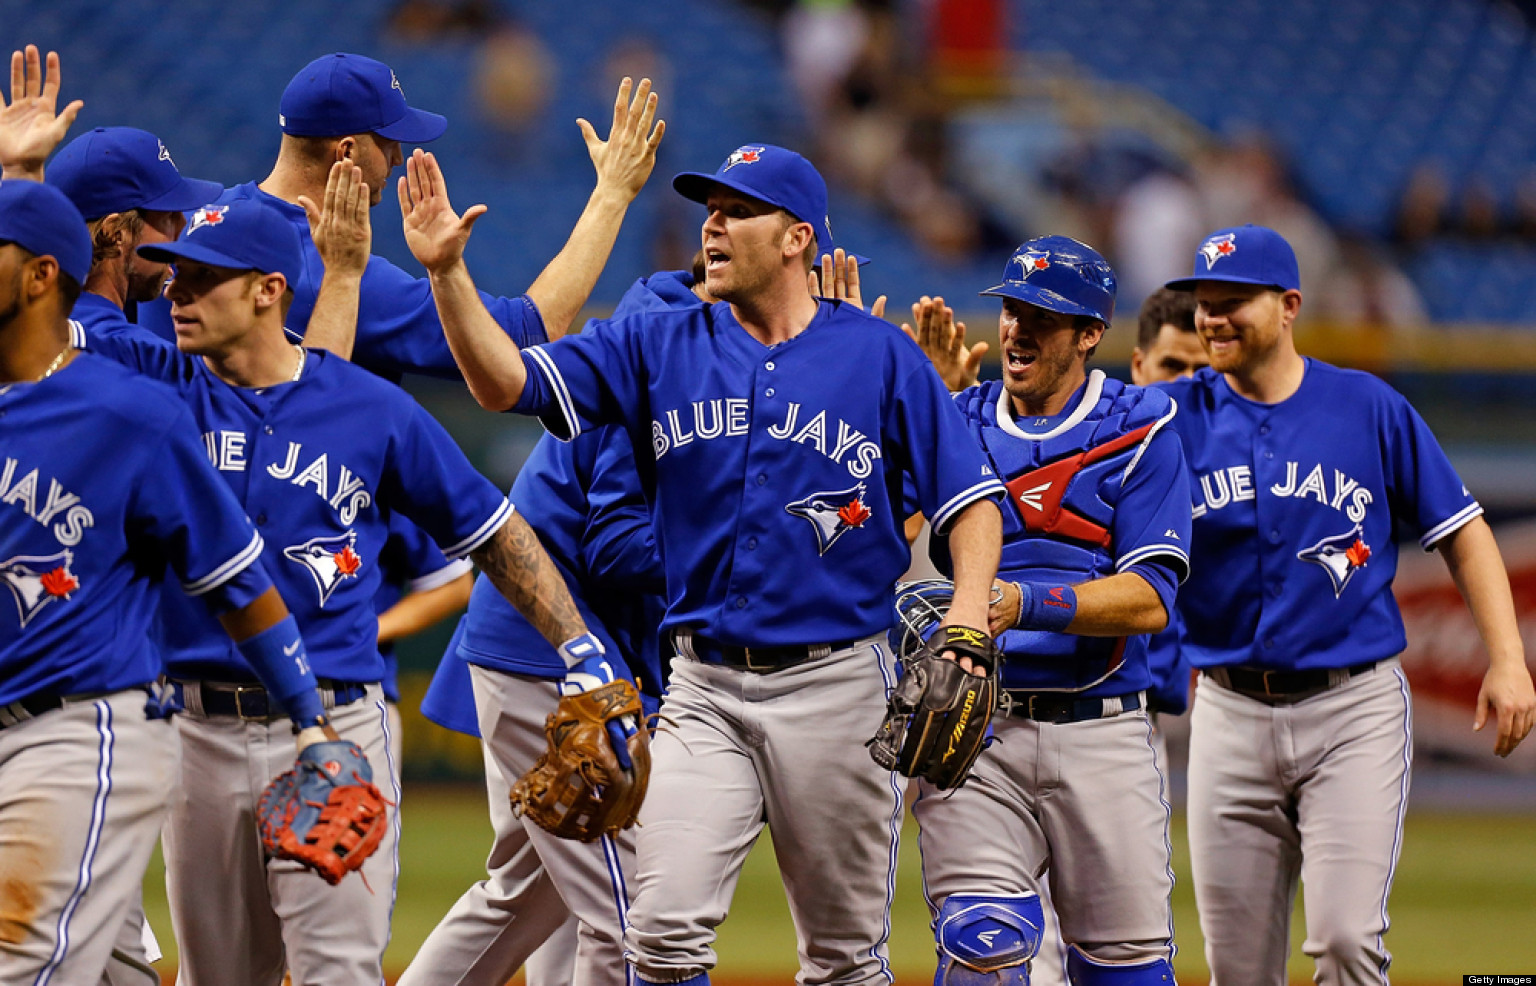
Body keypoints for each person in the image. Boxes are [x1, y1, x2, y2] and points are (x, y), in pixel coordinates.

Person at [399, 141, 1006, 985]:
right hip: (702, 690)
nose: (712, 226)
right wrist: (447, 278)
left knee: (842, 958)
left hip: (834, 688)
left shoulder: (879, 355)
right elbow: (503, 383)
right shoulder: (656, 341)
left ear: (797, 237)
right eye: (708, 209)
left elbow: (969, 502)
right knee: (659, 933)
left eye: (737, 211)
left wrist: (968, 620)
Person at [71, 191, 605, 986]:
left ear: (267, 289)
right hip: (194, 731)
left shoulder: (367, 408)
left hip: (337, 723)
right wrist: (21, 169)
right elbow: (37, 325)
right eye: (174, 277)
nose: (176, 294)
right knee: (220, 977)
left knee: (340, 972)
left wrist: (579, 646)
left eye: (201, 281)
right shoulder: (159, 391)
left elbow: (491, 531)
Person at [1160, 223, 1536, 984]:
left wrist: (1506, 659)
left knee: (1343, 941)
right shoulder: (1169, 416)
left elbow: (1463, 533)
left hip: (1351, 709)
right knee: (1236, 969)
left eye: (1235, 300)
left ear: (1290, 304)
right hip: (1229, 712)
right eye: (1204, 301)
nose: (1214, 317)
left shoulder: (1366, 406)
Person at [0, 178, 344, 986]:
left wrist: (308, 721)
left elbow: (235, 580)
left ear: (42, 275)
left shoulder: (129, 413)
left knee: (24, 966)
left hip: (76, 731)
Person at [911, 236, 1187, 985]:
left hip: (1105, 732)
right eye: (1010, 310)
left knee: (1124, 969)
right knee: (983, 947)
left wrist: (1020, 602)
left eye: (1042, 315)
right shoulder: (955, 422)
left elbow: (1149, 599)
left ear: (1091, 333)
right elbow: (885, 541)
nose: (1016, 329)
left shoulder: (1142, 426)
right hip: (978, 727)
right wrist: (916, 418)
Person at [139, 53, 662, 381]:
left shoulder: (195, 226)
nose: (395, 157)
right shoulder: (318, 265)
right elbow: (524, 334)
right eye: (387, 141)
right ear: (344, 151)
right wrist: (612, 194)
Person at [41, 126, 223, 346]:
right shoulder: (136, 356)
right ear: (114, 232)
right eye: (169, 216)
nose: (182, 226)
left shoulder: (20, 324)